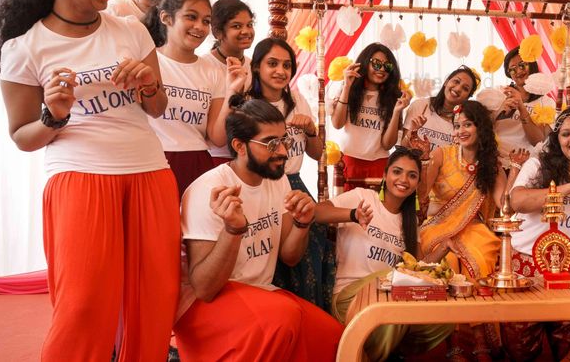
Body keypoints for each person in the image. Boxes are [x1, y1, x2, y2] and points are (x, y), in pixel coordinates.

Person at [0, 0, 178, 361]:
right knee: (84, 306)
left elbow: (157, 107)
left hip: (150, 174)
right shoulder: (25, 48)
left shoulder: (131, 30)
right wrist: (53, 115)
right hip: (79, 180)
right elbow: (22, 137)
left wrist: (149, 83)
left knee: (153, 302)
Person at [174, 100, 343, 361]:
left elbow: (290, 256)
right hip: (203, 306)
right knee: (282, 319)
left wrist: (302, 223)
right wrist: (233, 230)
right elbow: (204, 288)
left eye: (284, 140)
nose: (284, 151)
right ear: (240, 146)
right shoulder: (208, 190)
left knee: (333, 336)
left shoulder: (278, 180)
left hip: (259, 292)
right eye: (271, 143)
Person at [318, 146, 454, 361]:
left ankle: (392, 350)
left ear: (417, 184)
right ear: (385, 174)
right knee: (397, 293)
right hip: (350, 298)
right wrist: (353, 215)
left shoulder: (410, 223)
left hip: (389, 299)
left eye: (412, 175)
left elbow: (418, 268)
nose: (403, 179)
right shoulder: (363, 198)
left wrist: (444, 248)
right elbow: (317, 212)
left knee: (444, 314)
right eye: (397, 171)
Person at [503, 107, 570, 361]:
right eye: (566, 134)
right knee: (521, 351)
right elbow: (516, 201)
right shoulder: (538, 165)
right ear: (557, 139)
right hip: (527, 270)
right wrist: (568, 188)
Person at [239, 38, 332, 310]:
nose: (281, 71)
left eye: (287, 65)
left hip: (295, 185)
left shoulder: (297, 100)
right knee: (271, 263)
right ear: (256, 67)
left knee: (307, 261)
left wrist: (312, 130)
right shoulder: (246, 104)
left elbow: (316, 154)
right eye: (272, 64)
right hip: (262, 188)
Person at [143, 0, 237, 196]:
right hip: (153, 160)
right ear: (166, 18)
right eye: (191, 17)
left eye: (206, 21)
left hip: (198, 163)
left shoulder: (212, 71)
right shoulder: (150, 61)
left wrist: (232, 91)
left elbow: (217, 137)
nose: (199, 27)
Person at [419, 100, 505, 279]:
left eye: (467, 125)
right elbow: (421, 194)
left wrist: (516, 169)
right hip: (439, 227)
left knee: (480, 260)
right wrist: (425, 162)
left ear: (480, 128)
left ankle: (475, 306)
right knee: (446, 264)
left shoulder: (492, 166)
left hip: (475, 230)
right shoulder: (441, 155)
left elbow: (505, 206)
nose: (461, 131)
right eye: (457, 126)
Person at [330, 42, 409, 190]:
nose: (382, 70)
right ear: (366, 62)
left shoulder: (393, 97)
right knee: (347, 211)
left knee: (376, 211)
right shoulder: (347, 88)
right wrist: (347, 86)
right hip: (349, 161)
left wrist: (397, 111)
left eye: (387, 66)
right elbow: (337, 123)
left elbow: (387, 144)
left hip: (379, 163)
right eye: (377, 64)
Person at [202, 0, 255, 165]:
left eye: (250, 24)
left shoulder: (254, 65)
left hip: (250, 156)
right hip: (216, 158)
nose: (246, 31)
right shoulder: (204, 66)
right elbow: (215, 136)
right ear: (218, 32)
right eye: (237, 26)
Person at [490, 47, 554, 161]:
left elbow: (539, 142)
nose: (518, 71)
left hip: (528, 162)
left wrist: (522, 108)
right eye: (512, 69)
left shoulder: (546, 103)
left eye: (522, 65)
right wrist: (500, 110)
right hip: (496, 159)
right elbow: (481, 126)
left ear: (532, 65)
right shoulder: (500, 93)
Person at [402, 65, 480, 159]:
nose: (458, 88)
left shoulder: (463, 123)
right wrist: (412, 131)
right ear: (446, 82)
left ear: (468, 97)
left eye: (465, 88)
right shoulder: (420, 106)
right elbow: (402, 149)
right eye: (456, 81)